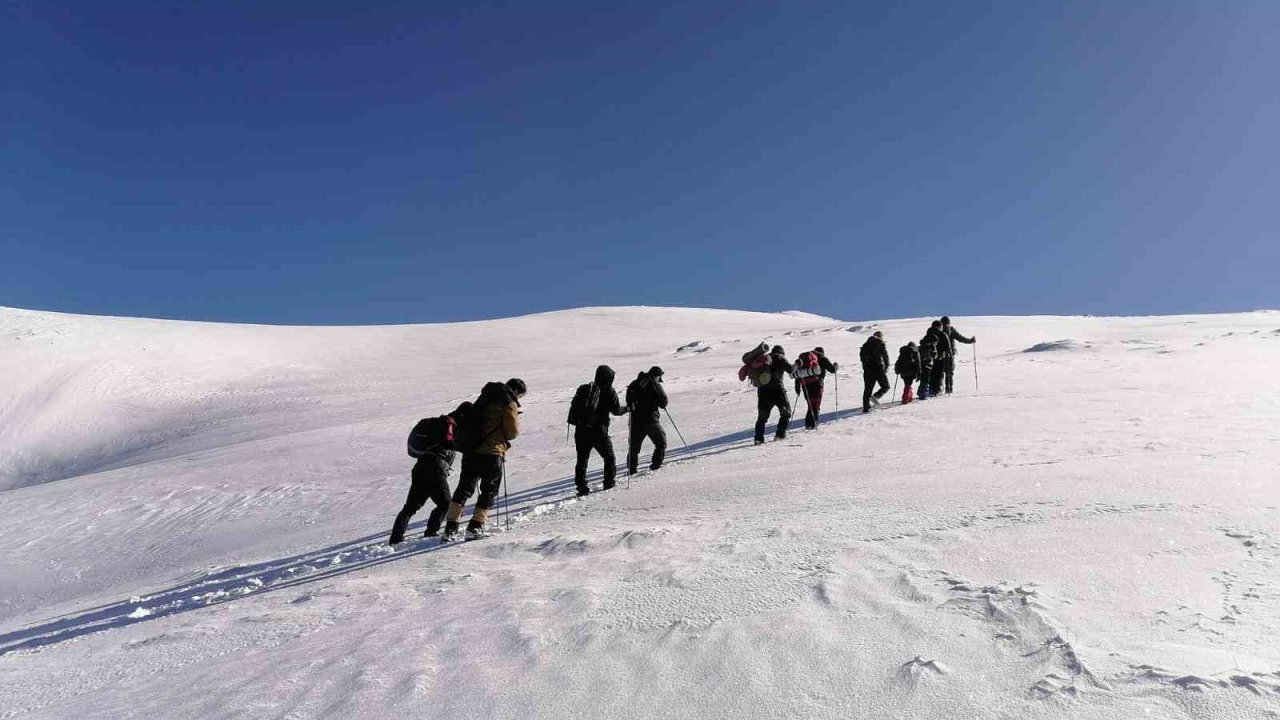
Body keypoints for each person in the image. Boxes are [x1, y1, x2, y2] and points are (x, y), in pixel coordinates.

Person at [441, 377, 527, 542]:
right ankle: (475, 526)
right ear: (516, 392)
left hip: (471, 451)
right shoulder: (509, 403)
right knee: (489, 490)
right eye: (520, 396)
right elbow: (512, 433)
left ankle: (450, 529)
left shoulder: (484, 398)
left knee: (464, 489)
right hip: (492, 452)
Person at [390, 402, 472, 545]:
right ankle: (431, 531)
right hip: (436, 468)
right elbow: (451, 444)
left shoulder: (439, 423)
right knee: (445, 504)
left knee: (410, 507)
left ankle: (396, 537)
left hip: (421, 467)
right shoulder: (451, 425)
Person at [570, 365, 628, 496]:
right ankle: (609, 483)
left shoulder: (585, 389)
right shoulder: (609, 391)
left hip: (581, 430)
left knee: (582, 460)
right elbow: (616, 410)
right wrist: (627, 409)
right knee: (609, 457)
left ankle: (582, 488)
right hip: (599, 431)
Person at [625, 366, 668, 475]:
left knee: (633, 448)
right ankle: (655, 467)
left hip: (635, 421)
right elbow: (663, 402)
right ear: (657, 376)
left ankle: (632, 471)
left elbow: (628, 401)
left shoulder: (634, 384)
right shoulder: (655, 385)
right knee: (661, 443)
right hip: (651, 421)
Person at [754, 345, 794, 445]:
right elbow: (791, 370)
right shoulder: (780, 358)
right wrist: (797, 364)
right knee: (786, 412)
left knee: (762, 417)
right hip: (777, 390)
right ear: (782, 352)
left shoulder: (764, 358)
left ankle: (758, 439)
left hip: (763, 391)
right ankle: (779, 435)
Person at [794, 347, 838, 429]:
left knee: (811, 405)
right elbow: (832, 370)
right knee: (815, 405)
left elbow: (798, 373)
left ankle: (808, 425)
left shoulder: (805, 359)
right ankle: (813, 425)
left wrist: (797, 386)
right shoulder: (822, 357)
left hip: (805, 384)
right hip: (817, 384)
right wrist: (836, 366)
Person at [940, 316, 976, 394]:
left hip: (941, 355)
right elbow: (961, 338)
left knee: (941, 371)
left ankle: (939, 389)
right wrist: (970, 340)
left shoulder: (939, 331)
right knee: (950, 372)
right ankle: (949, 389)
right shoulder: (951, 330)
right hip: (950, 354)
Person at [859, 331, 891, 413]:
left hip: (867, 371)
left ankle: (866, 408)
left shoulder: (865, 345)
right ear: (880, 336)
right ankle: (876, 396)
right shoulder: (880, 343)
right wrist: (886, 366)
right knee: (886, 386)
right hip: (878, 368)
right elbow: (885, 356)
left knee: (867, 389)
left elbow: (862, 359)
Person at [925, 320, 950, 400]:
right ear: (940, 326)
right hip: (940, 357)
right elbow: (947, 345)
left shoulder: (928, 334)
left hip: (929, 357)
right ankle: (936, 390)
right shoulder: (942, 334)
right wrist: (949, 354)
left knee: (931, 374)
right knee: (939, 374)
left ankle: (930, 389)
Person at [918, 330, 941, 400]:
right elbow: (934, 356)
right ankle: (924, 394)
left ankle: (921, 392)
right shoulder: (931, 346)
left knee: (923, 379)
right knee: (926, 379)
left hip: (921, 364)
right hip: (928, 364)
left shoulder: (921, 345)